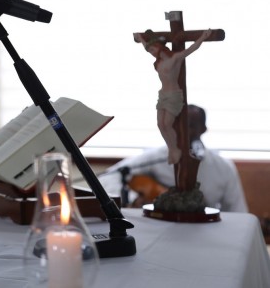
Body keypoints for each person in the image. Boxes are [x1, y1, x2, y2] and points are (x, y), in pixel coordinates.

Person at [98, 104, 247, 212]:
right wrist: (132, 199)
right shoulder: (157, 157)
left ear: (204, 129)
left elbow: (238, 212)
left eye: (191, 125)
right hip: (160, 227)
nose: (184, 131)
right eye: (180, 125)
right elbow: (108, 177)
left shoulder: (224, 167)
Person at [135, 28, 213, 164]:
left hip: (173, 95)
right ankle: (172, 149)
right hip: (163, 94)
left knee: (167, 123)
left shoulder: (175, 58)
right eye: (151, 50)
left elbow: (191, 49)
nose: (152, 53)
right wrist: (141, 38)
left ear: (160, 48)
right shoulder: (158, 62)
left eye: (153, 50)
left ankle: (175, 150)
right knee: (160, 124)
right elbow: (146, 48)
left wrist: (203, 37)